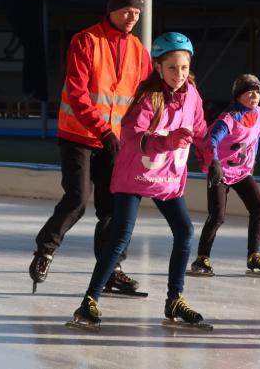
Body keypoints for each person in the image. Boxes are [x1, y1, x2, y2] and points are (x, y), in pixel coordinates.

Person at [67, 32, 210, 331]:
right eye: (172, 68)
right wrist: (166, 140)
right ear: (158, 68)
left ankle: (175, 299)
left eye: (184, 68)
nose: (179, 75)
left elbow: (200, 131)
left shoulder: (192, 96)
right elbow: (132, 137)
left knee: (184, 231)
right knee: (120, 236)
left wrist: (214, 162)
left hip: (167, 176)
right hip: (135, 174)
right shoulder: (149, 98)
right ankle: (89, 300)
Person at [29, 0, 152, 294]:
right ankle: (45, 250)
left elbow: (147, 96)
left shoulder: (139, 51)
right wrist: (103, 130)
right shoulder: (86, 41)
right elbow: (77, 92)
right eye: (127, 10)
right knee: (76, 199)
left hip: (114, 141)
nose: (132, 17)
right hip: (79, 136)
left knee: (112, 208)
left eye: (137, 12)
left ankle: (112, 268)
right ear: (112, 10)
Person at [189, 74, 260, 277]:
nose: (254, 95)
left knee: (259, 207)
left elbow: (254, 139)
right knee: (217, 216)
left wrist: (251, 162)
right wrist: (214, 164)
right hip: (220, 171)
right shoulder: (229, 118)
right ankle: (202, 257)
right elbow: (212, 140)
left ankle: (254, 255)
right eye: (249, 91)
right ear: (238, 96)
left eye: (257, 91)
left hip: (240, 171)